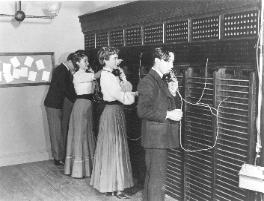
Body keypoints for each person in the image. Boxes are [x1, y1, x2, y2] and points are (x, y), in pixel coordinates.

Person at [90, 47, 137, 199]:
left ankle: (112, 186)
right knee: (114, 148)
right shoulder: (107, 76)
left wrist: (123, 78)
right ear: (104, 60)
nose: (117, 61)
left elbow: (124, 91)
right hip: (112, 112)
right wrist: (132, 94)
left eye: (117, 57)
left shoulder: (111, 73)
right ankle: (115, 188)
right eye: (114, 58)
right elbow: (123, 97)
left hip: (115, 112)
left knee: (114, 147)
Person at [137, 47, 183, 201]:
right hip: (155, 139)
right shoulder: (148, 81)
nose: (171, 65)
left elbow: (160, 103)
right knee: (156, 179)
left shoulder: (160, 79)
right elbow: (142, 111)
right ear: (157, 61)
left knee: (155, 178)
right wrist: (169, 114)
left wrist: (172, 93)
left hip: (159, 138)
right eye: (168, 61)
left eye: (172, 62)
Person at [64, 50, 101, 178]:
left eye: (87, 60)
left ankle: (87, 168)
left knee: (87, 134)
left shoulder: (86, 73)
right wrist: (107, 67)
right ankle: (79, 170)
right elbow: (96, 76)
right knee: (80, 134)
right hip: (81, 106)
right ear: (78, 63)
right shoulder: (78, 75)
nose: (87, 63)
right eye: (84, 61)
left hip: (87, 105)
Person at [44, 53, 76, 166]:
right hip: (53, 105)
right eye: (75, 64)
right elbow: (65, 89)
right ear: (70, 61)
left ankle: (60, 156)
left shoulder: (64, 70)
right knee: (56, 131)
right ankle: (57, 158)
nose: (76, 67)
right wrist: (77, 99)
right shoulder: (61, 70)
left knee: (60, 131)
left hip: (59, 104)